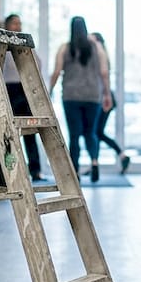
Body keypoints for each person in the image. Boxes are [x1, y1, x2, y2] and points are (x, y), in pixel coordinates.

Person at [49, 16, 111, 182]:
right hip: (92, 96)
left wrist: (49, 90)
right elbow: (104, 72)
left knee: (74, 135)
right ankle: (94, 162)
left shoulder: (65, 48)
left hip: (71, 96)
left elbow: (56, 72)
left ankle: (75, 171)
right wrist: (107, 94)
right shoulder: (96, 47)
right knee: (90, 133)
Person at [0, 13, 44, 184]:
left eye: (20, 23)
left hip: (24, 90)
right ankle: (8, 171)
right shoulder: (1, 46)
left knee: (30, 132)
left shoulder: (24, 46)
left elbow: (37, 64)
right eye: (15, 24)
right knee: (7, 132)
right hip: (9, 90)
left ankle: (35, 170)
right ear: (7, 26)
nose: (18, 27)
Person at [89, 32, 131, 174]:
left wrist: (105, 97)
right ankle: (95, 163)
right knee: (97, 132)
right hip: (103, 98)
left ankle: (119, 155)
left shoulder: (101, 56)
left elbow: (103, 77)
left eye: (92, 41)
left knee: (96, 132)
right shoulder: (100, 56)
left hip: (104, 99)